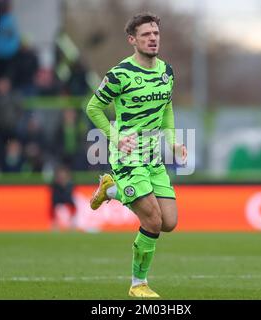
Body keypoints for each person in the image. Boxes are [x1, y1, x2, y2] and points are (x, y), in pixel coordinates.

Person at [85, 13, 187, 298]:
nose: (153, 38)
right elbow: (93, 108)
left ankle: (111, 190)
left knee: (169, 222)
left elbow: (167, 109)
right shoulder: (120, 74)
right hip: (127, 157)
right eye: (145, 35)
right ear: (132, 40)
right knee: (152, 221)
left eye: (155, 33)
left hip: (153, 158)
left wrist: (175, 142)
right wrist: (115, 138)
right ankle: (138, 283)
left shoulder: (167, 71)